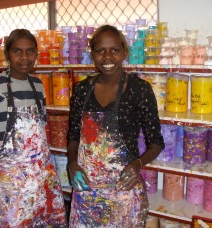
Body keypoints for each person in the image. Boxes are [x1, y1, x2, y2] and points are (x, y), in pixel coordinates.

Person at [67, 24, 165, 227]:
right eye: (100, 50)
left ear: (124, 52)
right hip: (87, 191)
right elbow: (74, 136)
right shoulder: (82, 90)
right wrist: (72, 163)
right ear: (92, 54)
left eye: (114, 50)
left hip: (124, 191)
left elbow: (156, 142)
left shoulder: (140, 90)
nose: (108, 57)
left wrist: (137, 165)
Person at [0, 29, 67, 227]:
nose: (24, 57)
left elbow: (39, 136)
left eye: (30, 51)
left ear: (36, 54)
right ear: (7, 54)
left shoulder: (38, 86)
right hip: (8, 188)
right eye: (17, 51)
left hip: (40, 182)